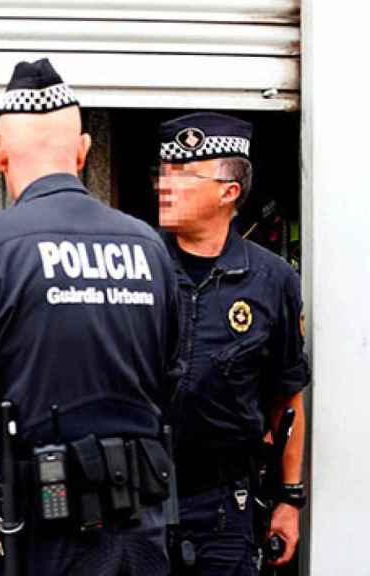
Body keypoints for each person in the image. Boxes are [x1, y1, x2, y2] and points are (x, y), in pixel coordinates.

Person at [0, 58, 180, 576]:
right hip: (140, 535)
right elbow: (169, 382)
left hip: (40, 536)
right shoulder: (148, 247)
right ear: (83, 150)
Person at [154, 112, 309, 575]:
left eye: (183, 175)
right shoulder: (137, 263)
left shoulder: (272, 279)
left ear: (229, 192)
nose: (165, 185)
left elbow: (287, 394)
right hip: (134, 502)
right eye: (163, 172)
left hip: (224, 507)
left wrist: (289, 499)